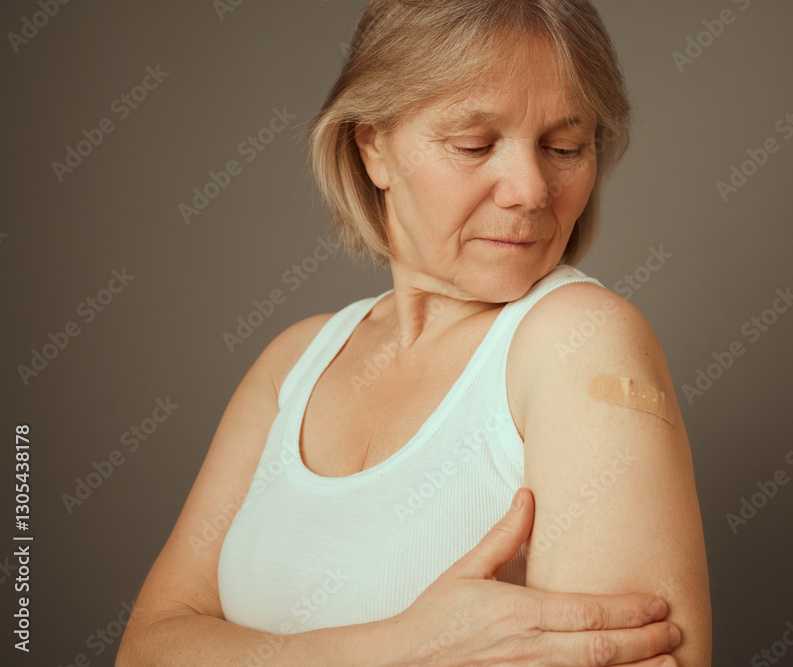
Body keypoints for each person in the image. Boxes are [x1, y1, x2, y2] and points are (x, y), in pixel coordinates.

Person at [118, 1, 711, 664]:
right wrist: (400, 649)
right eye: (474, 145)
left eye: (564, 147)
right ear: (374, 147)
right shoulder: (294, 363)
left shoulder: (582, 341)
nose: (531, 189)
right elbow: (148, 645)